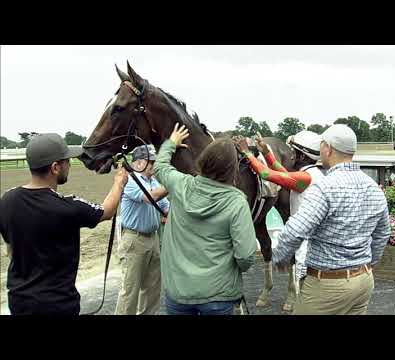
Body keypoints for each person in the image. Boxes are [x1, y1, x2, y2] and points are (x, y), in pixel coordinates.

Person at [0, 133, 128, 315]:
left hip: (19, 302)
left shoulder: (7, 200)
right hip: (58, 305)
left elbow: (10, 250)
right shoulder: (68, 207)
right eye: (67, 161)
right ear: (55, 167)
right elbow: (106, 211)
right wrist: (119, 182)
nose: (69, 165)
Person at [272, 124, 391, 315]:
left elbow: (296, 229)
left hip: (327, 285)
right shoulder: (373, 188)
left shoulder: (325, 188)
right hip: (363, 281)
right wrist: (369, 263)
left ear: (328, 149)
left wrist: (280, 257)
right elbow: (383, 233)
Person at [153, 123, 257, 315]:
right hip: (219, 295)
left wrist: (171, 143)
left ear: (203, 160)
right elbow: (246, 257)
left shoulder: (179, 184)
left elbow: (159, 167)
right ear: (231, 169)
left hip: (178, 292)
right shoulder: (237, 202)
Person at [234, 130, 324, 305]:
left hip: (306, 250)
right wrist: (266, 151)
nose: (290, 155)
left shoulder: (305, 178)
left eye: (293, 152)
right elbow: (281, 172)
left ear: (302, 156)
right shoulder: (310, 175)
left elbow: (268, 175)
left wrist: (246, 153)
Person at [115, 144, 170, 315]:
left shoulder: (153, 181)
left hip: (152, 238)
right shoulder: (132, 181)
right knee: (130, 292)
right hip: (134, 240)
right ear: (138, 163)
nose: (154, 165)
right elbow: (152, 197)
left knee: (152, 290)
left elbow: (166, 209)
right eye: (150, 161)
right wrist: (174, 183)